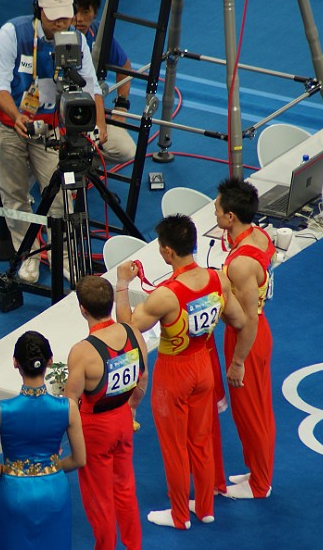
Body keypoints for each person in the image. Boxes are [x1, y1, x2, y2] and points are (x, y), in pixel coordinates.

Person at [114, 214, 252, 529]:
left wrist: (122, 284)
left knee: (175, 447)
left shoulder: (166, 295)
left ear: (166, 252)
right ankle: (204, 507)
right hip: (204, 365)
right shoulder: (219, 278)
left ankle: (179, 516)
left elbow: (128, 329)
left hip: (174, 374)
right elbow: (240, 321)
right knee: (201, 440)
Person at [0, 0, 107, 283]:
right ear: (40, 12)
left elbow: (91, 86)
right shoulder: (13, 32)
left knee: (62, 194)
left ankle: (62, 256)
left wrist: (98, 125)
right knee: (14, 192)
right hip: (7, 118)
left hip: (49, 123)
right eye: (55, 19)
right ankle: (28, 255)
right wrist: (17, 117)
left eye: (67, 18)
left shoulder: (76, 40)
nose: (62, 24)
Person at [0, 330, 86, 550]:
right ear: (49, 361)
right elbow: (79, 460)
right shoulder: (68, 408)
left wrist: (13, 471)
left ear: (15, 363)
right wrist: (51, 466)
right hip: (54, 491)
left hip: (15, 493)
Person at [64, 275, 148, 550]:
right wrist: (131, 410)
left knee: (99, 498)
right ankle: (134, 545)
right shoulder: (132, 332)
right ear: (110, 304)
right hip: (123, 418)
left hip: (96, 428)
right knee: (124, 489)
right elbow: (142, 378)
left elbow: (70, 402)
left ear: (82, 309)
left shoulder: (82, 352)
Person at [215, 178, 276, 499]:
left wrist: (238, 361)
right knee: (252, 410)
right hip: (254, 332)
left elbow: (248, 317)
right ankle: (257, 470)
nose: (214, 210)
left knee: (252, 413)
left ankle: (260, 484)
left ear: (230, 218)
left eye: (217, 208)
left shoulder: (240, 264)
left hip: (247, 338)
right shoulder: (260, 235)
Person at [72, 0, 137, 164]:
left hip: (92, 115)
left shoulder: (100, 35)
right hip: (58, 118)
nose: (79, 18)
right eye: (74, 11)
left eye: (85, 12)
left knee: (127, 150)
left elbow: (124, 66)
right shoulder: (57, 35)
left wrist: (121, 107)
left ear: (94, 12)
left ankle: (87, 163)